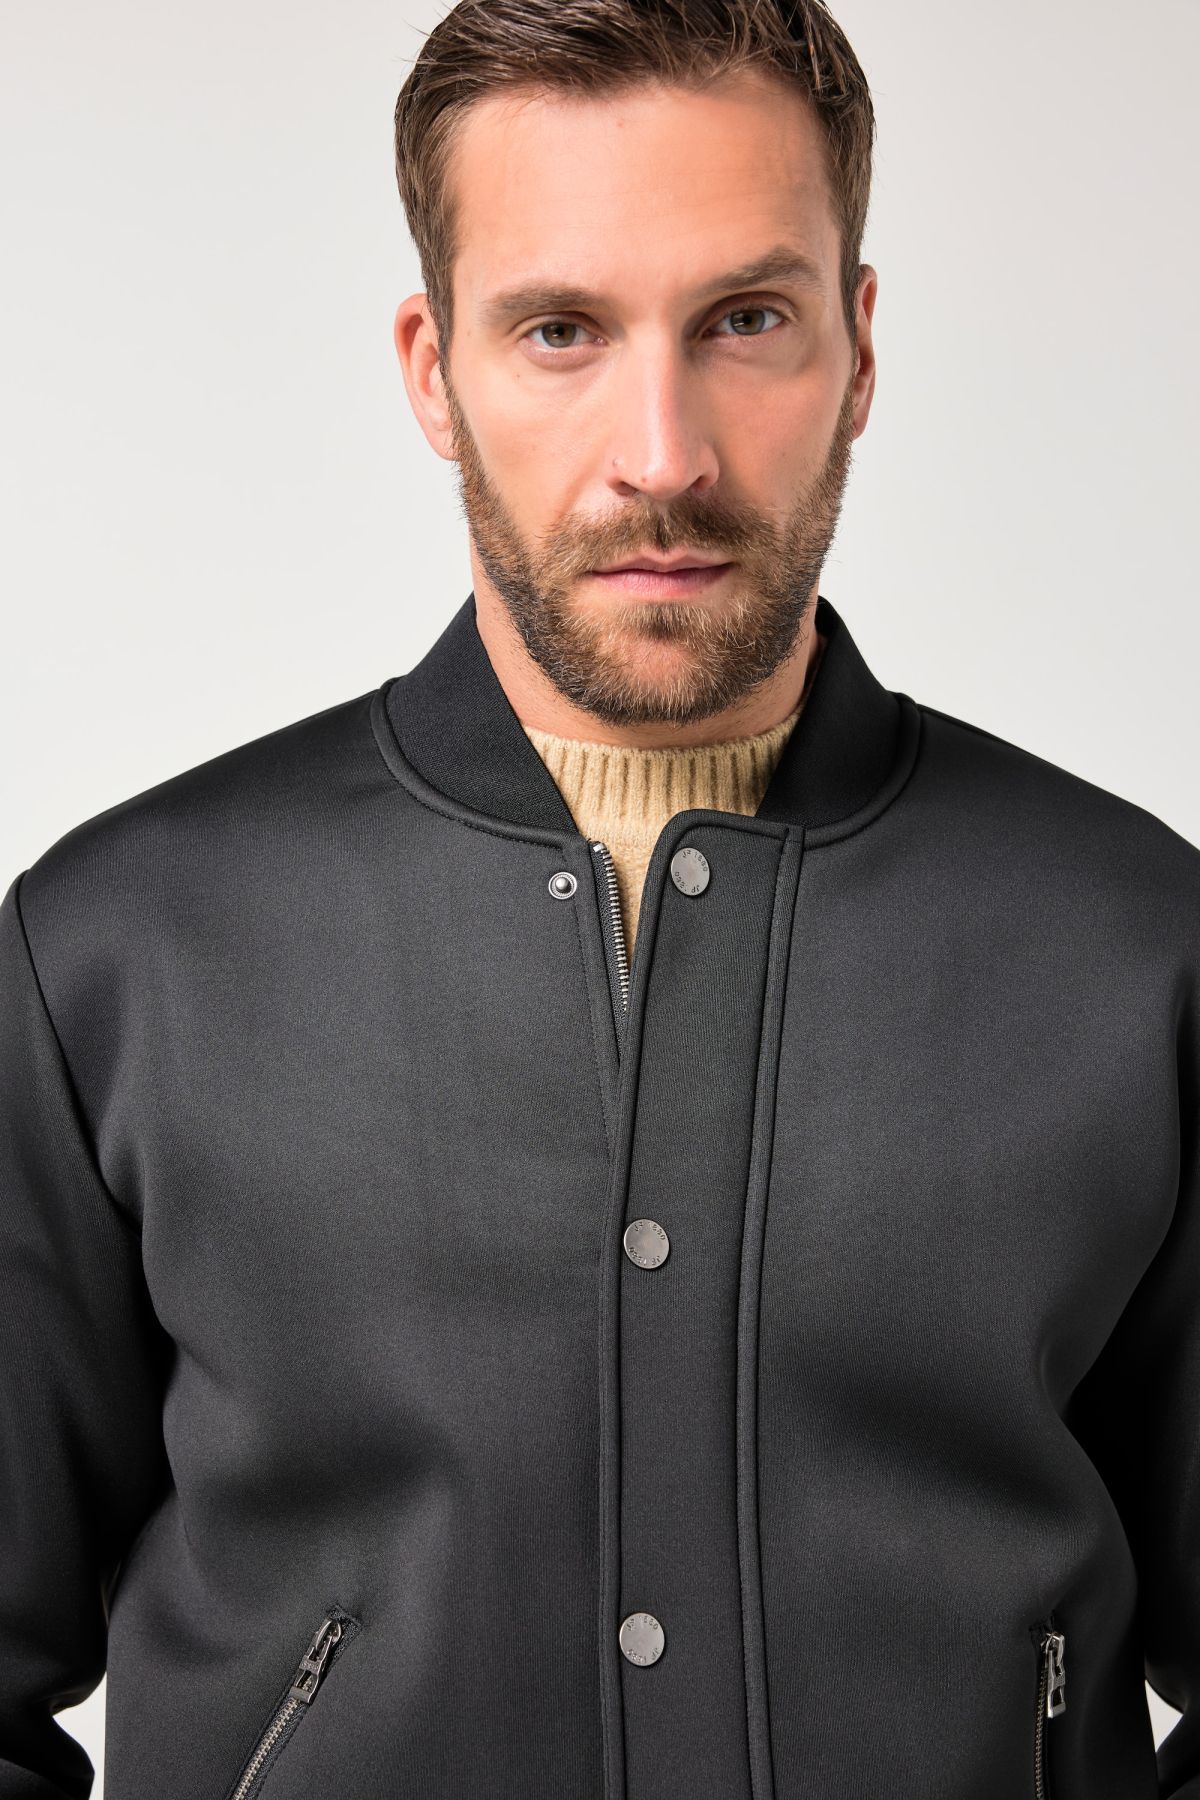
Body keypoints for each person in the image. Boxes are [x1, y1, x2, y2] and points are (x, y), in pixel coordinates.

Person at [1, 2, 1196, 1795]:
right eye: (561, 329)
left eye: (747, 320)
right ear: (433, 368)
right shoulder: (116, 955)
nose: (664, 452)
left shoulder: (1136, 950)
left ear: (860, 347)